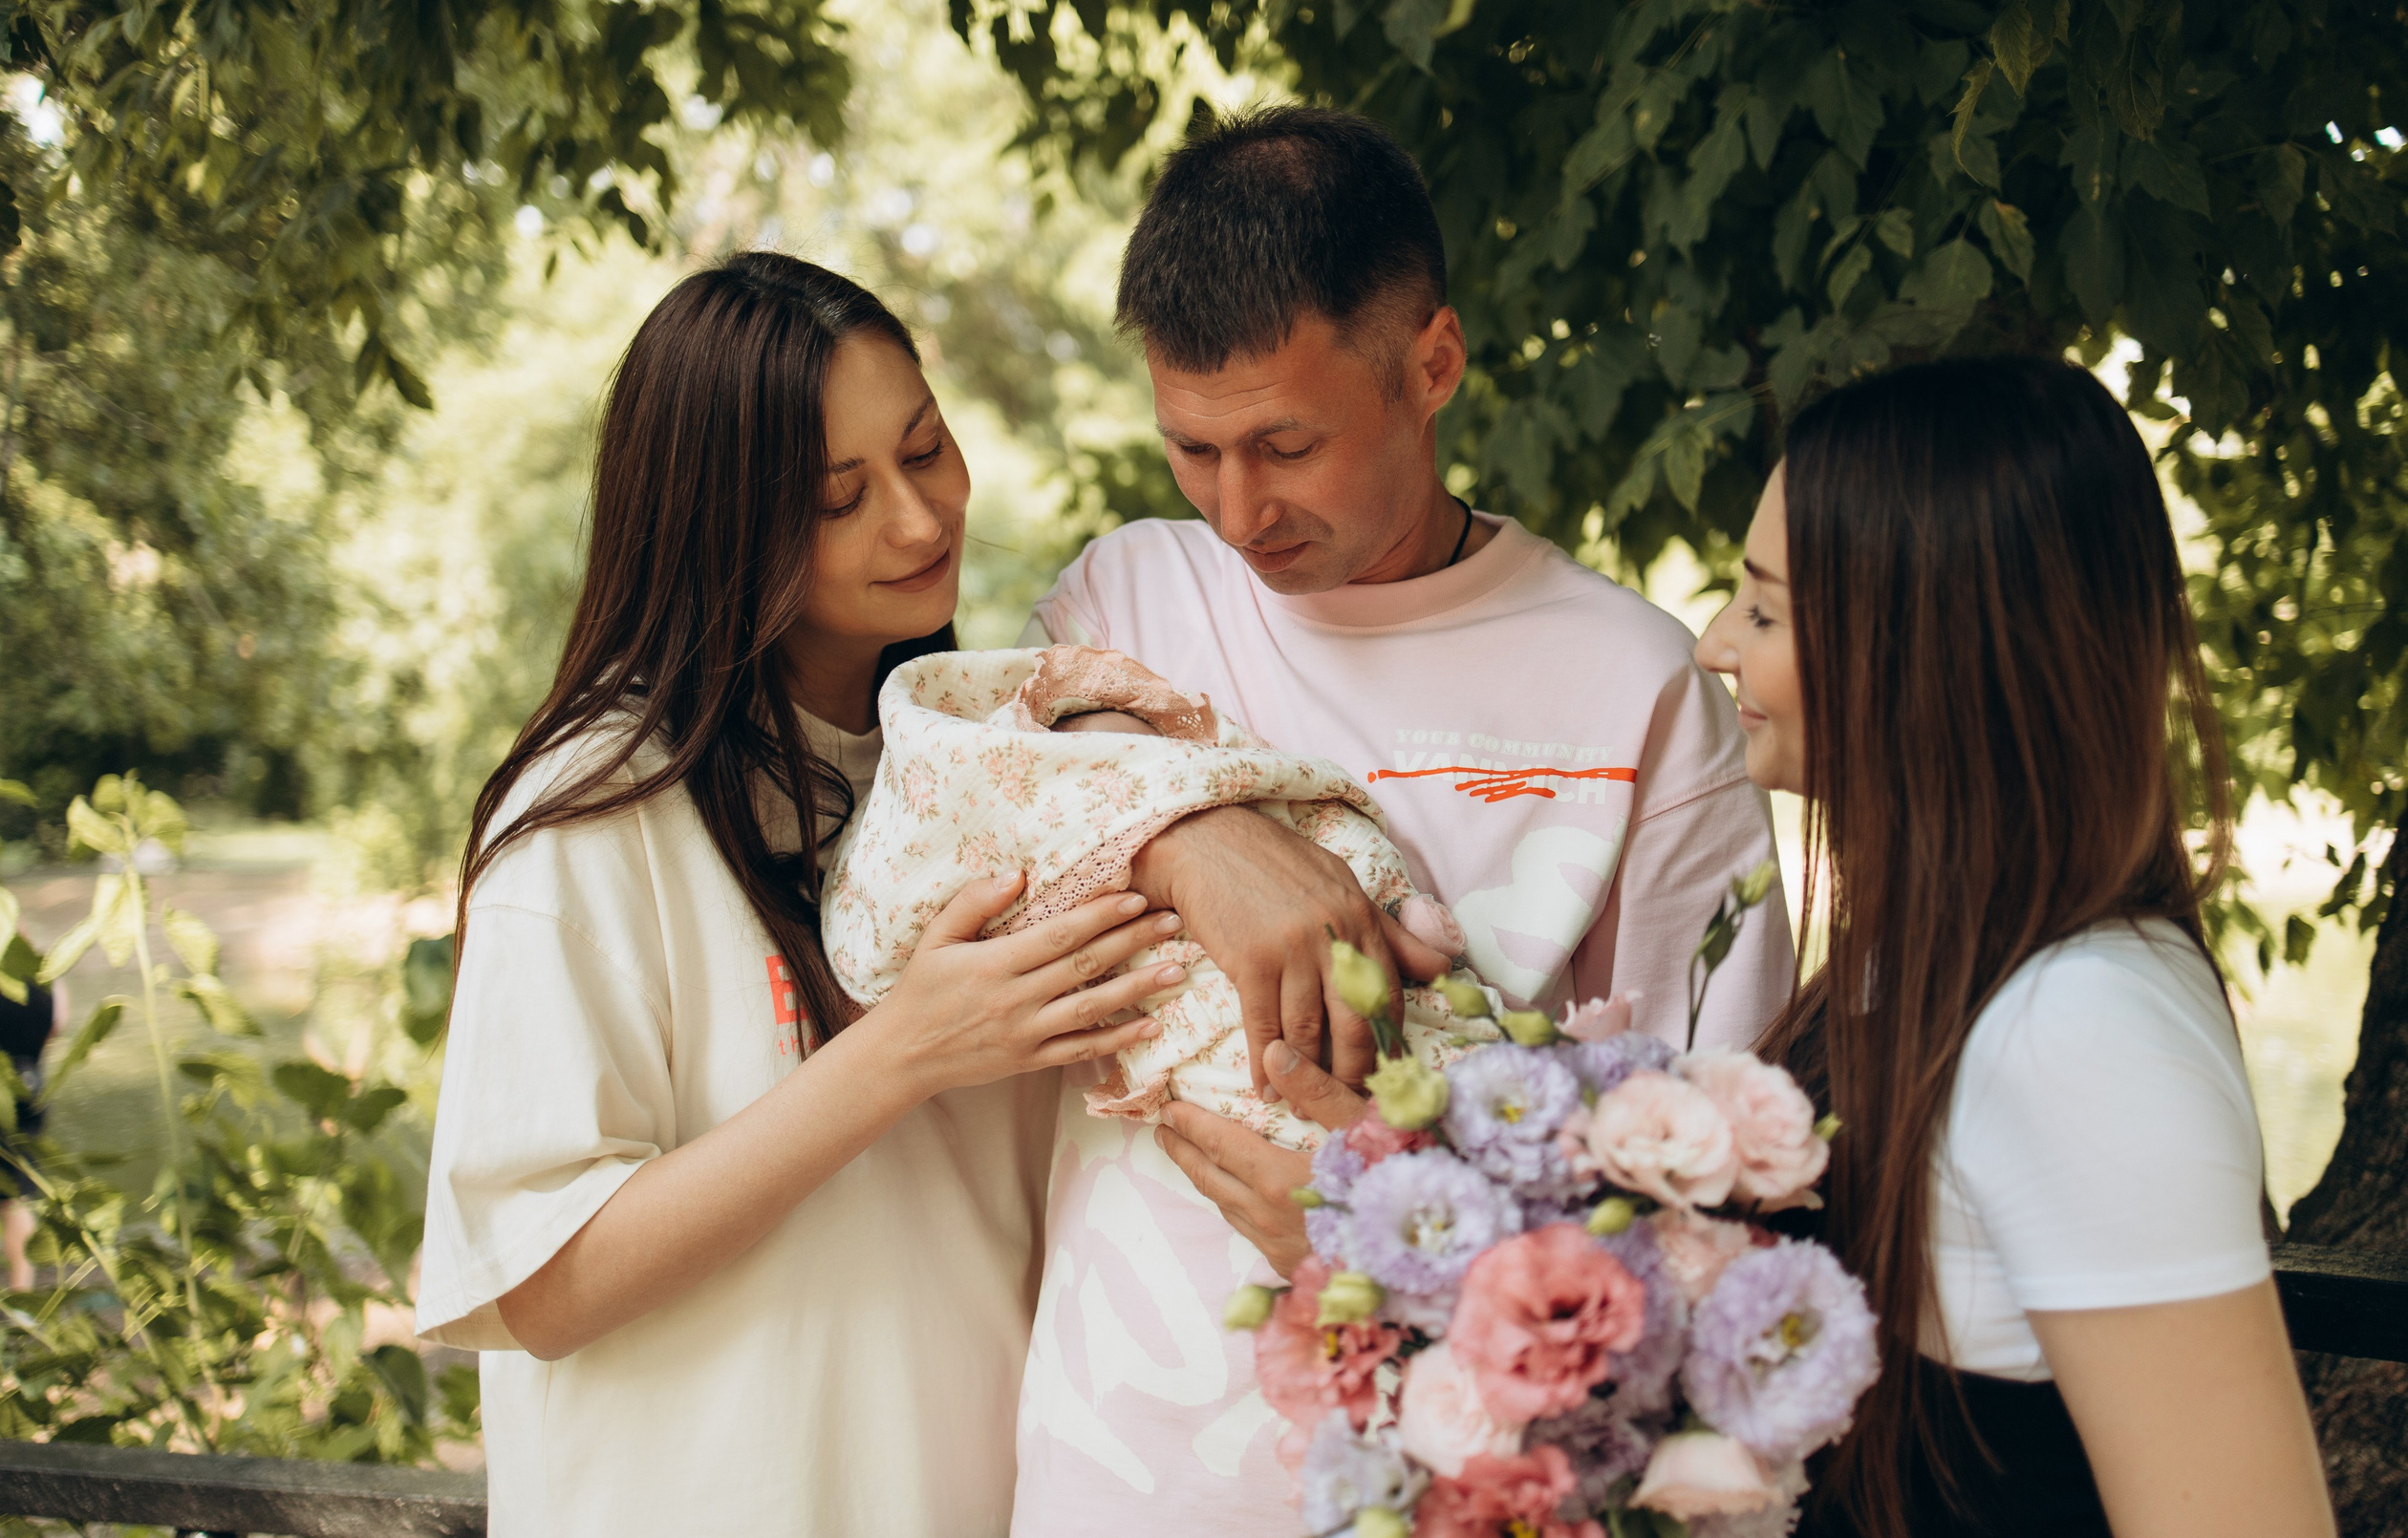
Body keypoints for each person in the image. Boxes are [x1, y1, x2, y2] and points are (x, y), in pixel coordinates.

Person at [1008, 105, 1795, 1533]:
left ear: (1433, 363)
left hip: (1467, 1483)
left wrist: (1386, 1233)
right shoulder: (1123, 606)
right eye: (1193, 448)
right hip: (1112, 1478)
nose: (1239, 509)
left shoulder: (1634, 689)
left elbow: (1714, 1189)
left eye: (1285, 445)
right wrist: (1200, 833)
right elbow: (942, 855)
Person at [413, 253, 1190, 1537]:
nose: (919, 519)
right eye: (840, 495)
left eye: (926, 449)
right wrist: (900, 1051)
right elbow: (539, 1280)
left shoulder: (987, 769)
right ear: (717, 521)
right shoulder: (597, 812)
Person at [1692, 355, 2333, 1538]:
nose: (1715, 646)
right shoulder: (1919, 965)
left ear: (1922, 648)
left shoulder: (2081, 1029)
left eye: (1767, 609)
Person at [1, 950, 65, 1292]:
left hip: (4, 1092)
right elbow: (58, 1023)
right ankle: (22, 1294)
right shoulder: (43, 969)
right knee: (18, 1197)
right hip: (30, 1084)